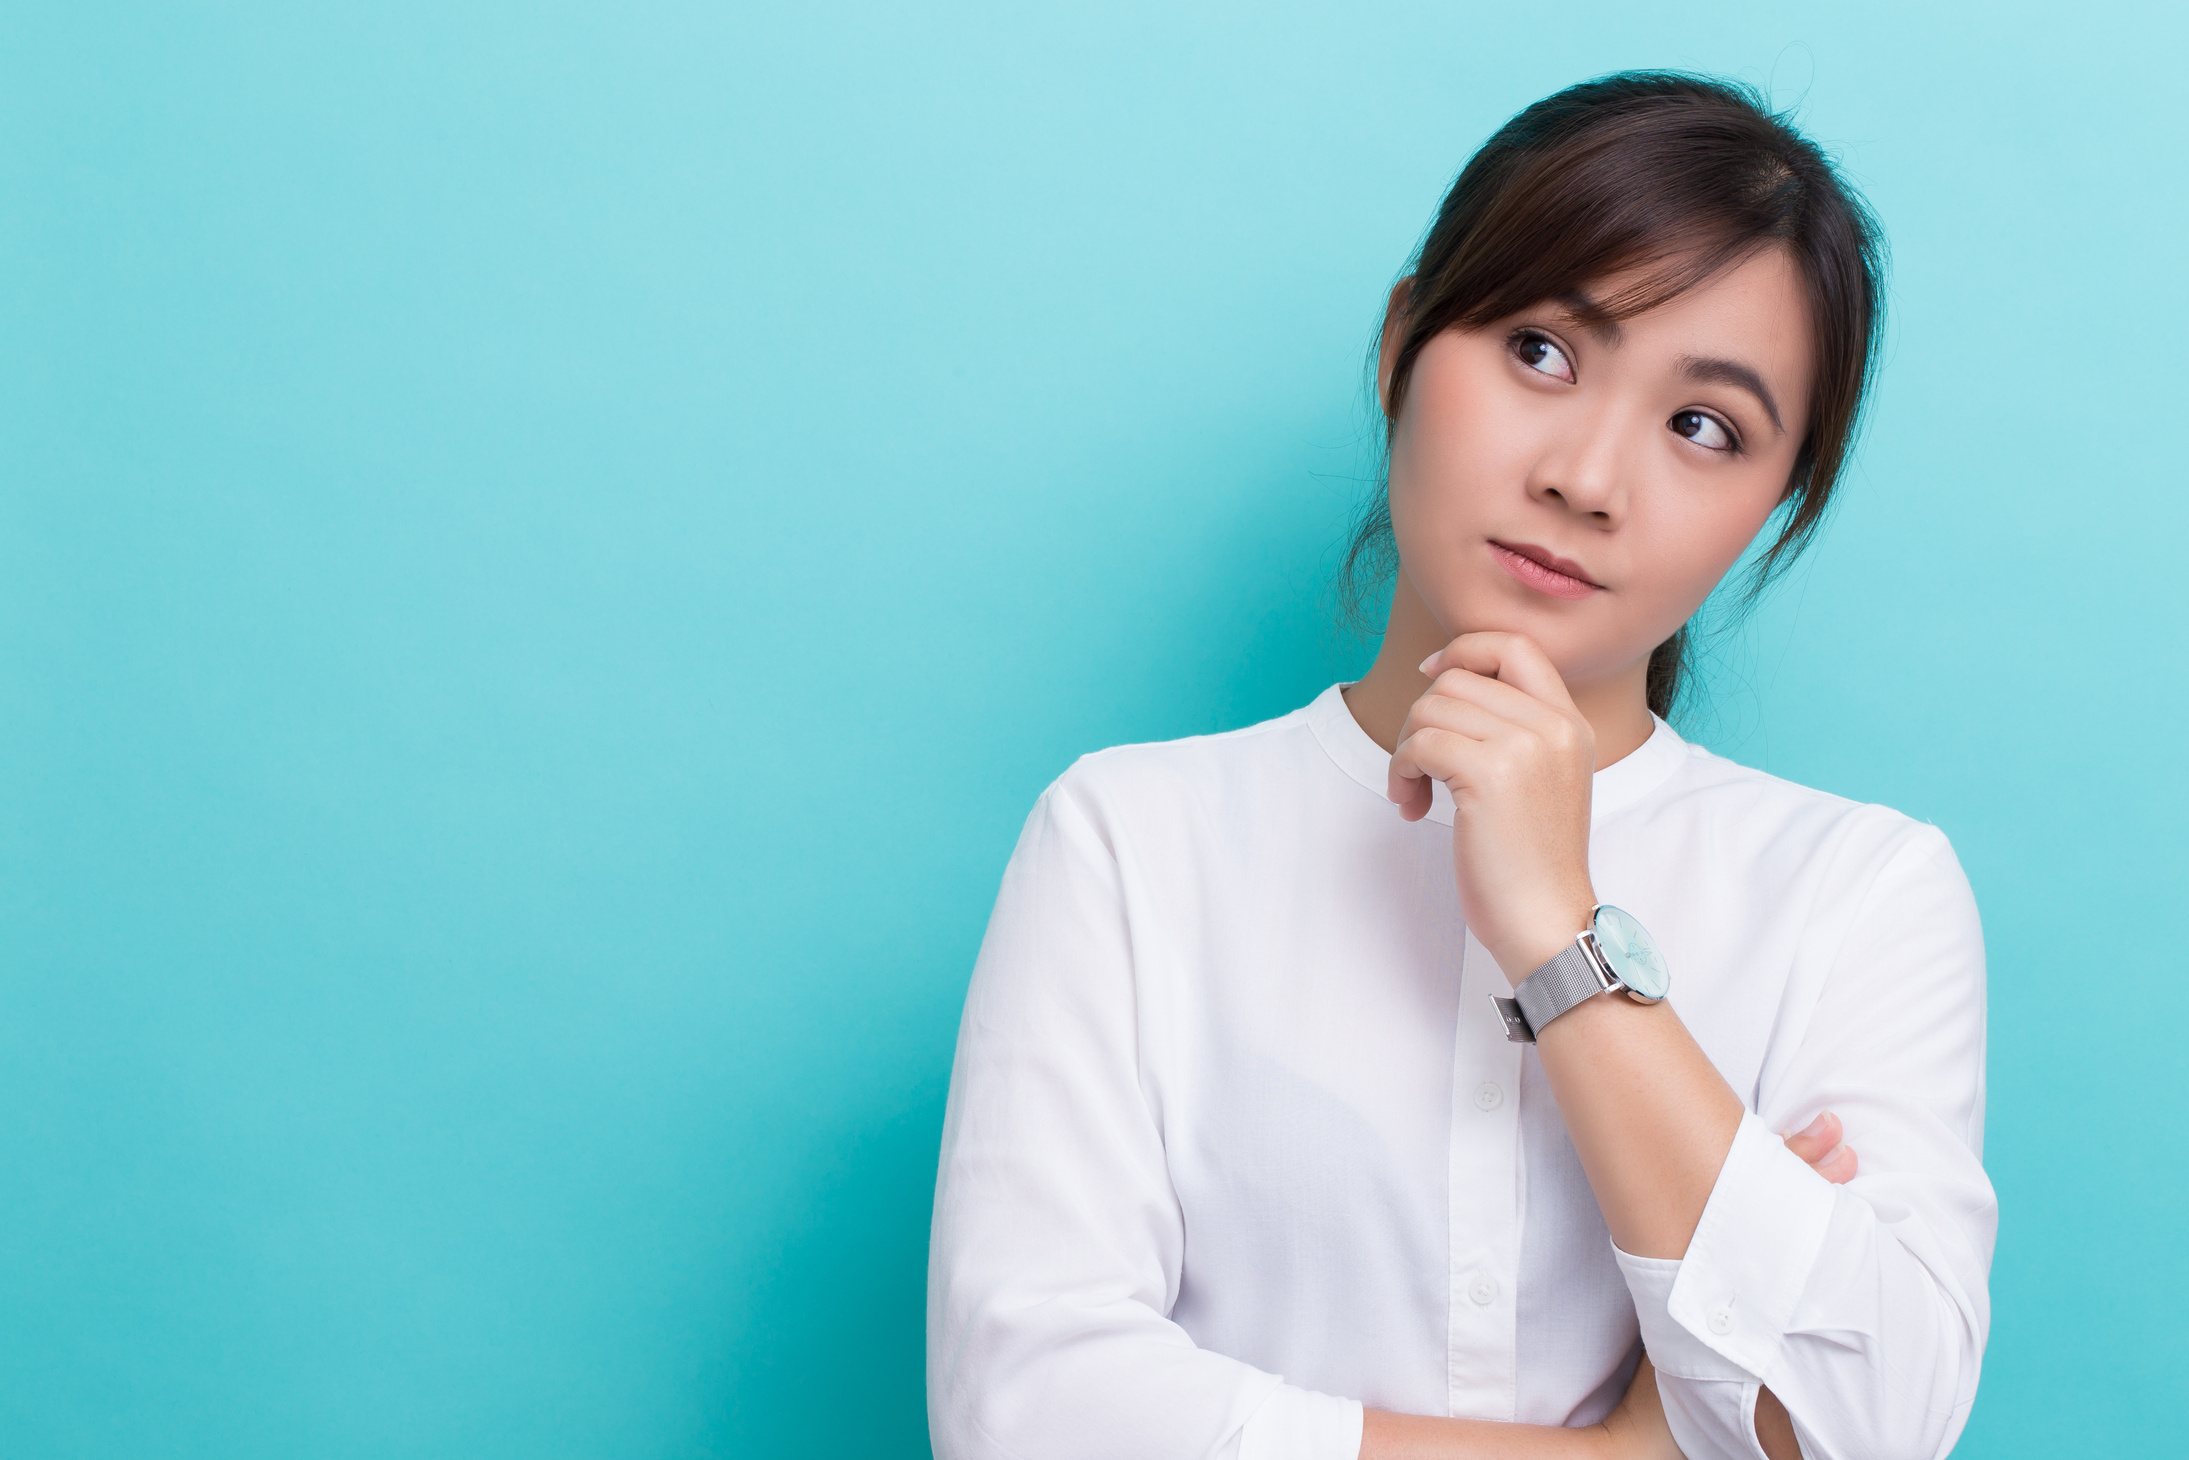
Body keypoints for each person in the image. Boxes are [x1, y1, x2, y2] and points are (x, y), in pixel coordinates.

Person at [926, 72, 1992, 1460]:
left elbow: (1872, 1425)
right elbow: (1028, 1416)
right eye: (1541, 349)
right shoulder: (1130, 841)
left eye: (1702, 426)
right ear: (1400, 344)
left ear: (1767, 508)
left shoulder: (1856, 894)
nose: (1588, 476)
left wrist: (1560, 933)